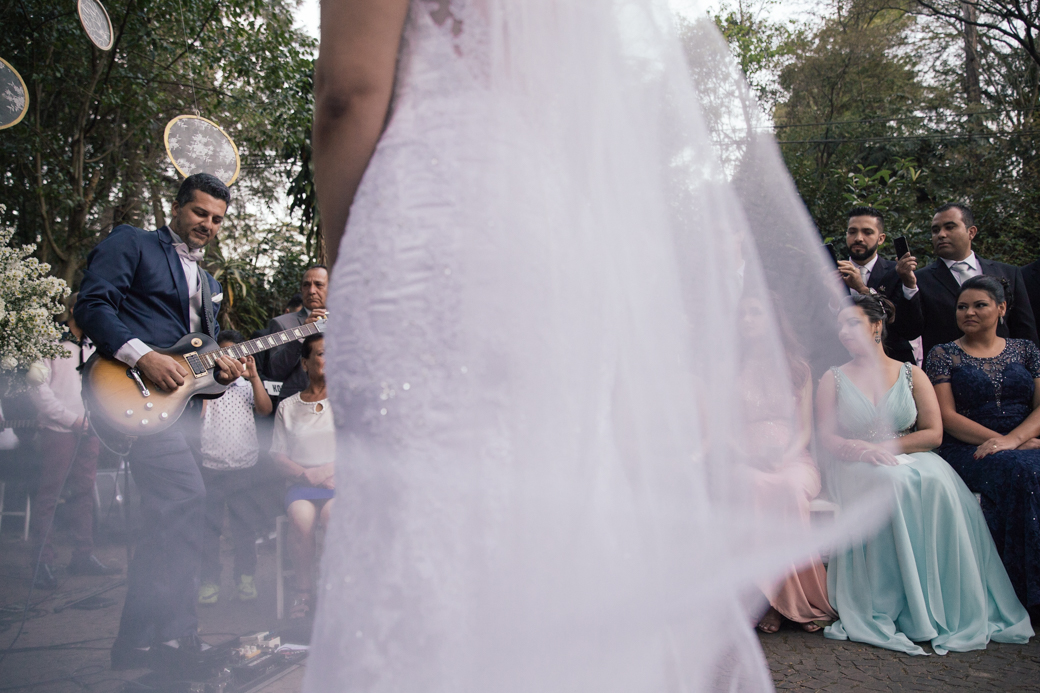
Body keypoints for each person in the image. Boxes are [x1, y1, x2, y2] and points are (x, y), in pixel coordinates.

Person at [306, 2, 890, 689]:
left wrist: (348, 263)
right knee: (552, 486)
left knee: (415, 493)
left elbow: (350, 91)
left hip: (430, 209)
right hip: (549, 217)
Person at [76, 173, 246, 671]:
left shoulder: (211, 284)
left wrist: (224, 368)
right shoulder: (133, 242)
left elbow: (200, 362)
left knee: (162, 525)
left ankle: (134, 644)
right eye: (200, 213)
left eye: (216, 219)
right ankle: (177, 640)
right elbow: (91, 304)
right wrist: (144, 357)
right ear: (176, 207)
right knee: (187, 500)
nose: (207, 225)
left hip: (182, 412)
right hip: (131, 391)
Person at [818, 292, 1031, 654]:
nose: (844, 332)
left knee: (935, 480)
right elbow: (825, 436)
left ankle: (943, 599)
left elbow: (933, 433)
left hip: (909, 453)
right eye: (839, 326)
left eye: (852, 323)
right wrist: (861, 450)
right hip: (853, 462)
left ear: (876, 326)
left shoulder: (910, 372)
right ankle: (897, 601)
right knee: (892, 481)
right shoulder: (833, 377)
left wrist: (887, 448)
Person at [926, 275, 1040, 615]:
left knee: (1024, 465)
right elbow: (946, 415)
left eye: (979, 305)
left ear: (1002, 308)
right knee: (1023, 474)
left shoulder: (1026, 349)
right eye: (963, 307)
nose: (969, 312)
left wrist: (1013, 440)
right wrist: (1001, 443)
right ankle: (1027, 592)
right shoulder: (943, 354)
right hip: (968, 446)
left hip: (1022, 441)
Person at [738, 295, 836, 635]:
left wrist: (785, 454)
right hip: (745, 456)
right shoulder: (730, 369)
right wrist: (750, 456)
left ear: (773, 320)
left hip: (792, 455)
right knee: (753, 486)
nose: (748, 319)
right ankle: (761, 599)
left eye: (755, 312)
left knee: (791, 488)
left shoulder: (799, 369)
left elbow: (805, 428)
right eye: (743, 314)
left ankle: (785, 600)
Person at [28, 294, 120, 590]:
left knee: (84, 493)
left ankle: (83, 555)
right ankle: (42, 561)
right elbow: (38, 391)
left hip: (89, 429)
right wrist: (71, 419)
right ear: (71, 309)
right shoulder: (49, 343)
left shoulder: (97, 346)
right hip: (59, 430)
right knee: (49, 496)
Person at [197, 330, 273, 606]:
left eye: (235, 354)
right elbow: (200, 416)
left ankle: (246, 577)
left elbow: (265, 410)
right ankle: (209, 581)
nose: (230, 360)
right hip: (210, 467)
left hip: (244, 467)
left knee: (244, 528)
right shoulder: (206, 387)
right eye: (223, 355)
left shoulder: (247, 387)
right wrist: (208, 383)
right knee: (209, 530)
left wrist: (253, 378)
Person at [913, 203, 1037, 360]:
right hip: (947, 373)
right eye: (935, 230)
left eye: (950, 227)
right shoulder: (919, 280)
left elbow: (1025, 330)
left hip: (1007, 370)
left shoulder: (1009, 273)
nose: (941, 235)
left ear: (971, 232)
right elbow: (910, 329)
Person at [270, 334, 334, 620]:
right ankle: (304, 592)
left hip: (340, 483)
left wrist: (324, 472)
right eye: (321, 354)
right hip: (301, 484)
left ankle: (335, 591)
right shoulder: (288, 406)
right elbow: (277, 455)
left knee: (333, 518)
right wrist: (307, 475)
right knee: (300, 517)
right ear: (305, 363)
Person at [835, 207, 922, 364]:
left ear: (881, 238)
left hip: (893, 362)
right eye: (852, 232)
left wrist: (863, 289)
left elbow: (910, 328)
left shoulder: (898, 273)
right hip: (841, 363)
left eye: (867, 232)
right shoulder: (831, 275)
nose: (858, 238)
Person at [264, 268, 328, 402]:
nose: (311, 291)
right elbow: (275, 371)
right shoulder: (282, 323)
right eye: (306, 285)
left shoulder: (347, 322)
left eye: (318, 284)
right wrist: (301, 335)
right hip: (297, 408)